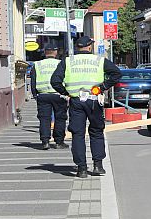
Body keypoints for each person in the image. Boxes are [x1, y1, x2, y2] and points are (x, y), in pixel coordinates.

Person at [51, 36, 122, 178]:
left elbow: (55, 81)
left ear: (78, 47)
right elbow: (116, 74)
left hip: (76, 101)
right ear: (90, 47)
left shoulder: (68, 61)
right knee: (96, 131)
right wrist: (102, 87)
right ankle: (98, 165)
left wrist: (67, 93)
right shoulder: (99, 61)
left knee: (78, 134)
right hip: (94, 100)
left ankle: (81, 168)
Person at [31, 44, 68, 150]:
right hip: (59, 95)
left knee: (44, 119)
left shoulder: (37, 64)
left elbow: (33, 80)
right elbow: (66, 78)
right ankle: (59, 142)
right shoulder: (61, 63)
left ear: (45, 52)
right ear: (56, 52)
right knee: (60, 118)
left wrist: (35, 94)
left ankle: (45, 141)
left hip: (43, 95)